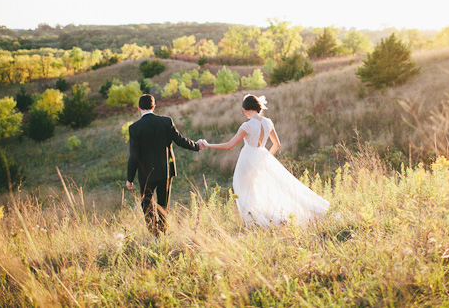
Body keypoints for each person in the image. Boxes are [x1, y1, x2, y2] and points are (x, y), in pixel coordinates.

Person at [200, 94, 329, 227]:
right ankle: (258, 220)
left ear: (246, 109)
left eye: (243, 110)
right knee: (255, 189)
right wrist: (264, 160)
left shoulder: (247, 125)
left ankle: (253, 223)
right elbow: (276, 144)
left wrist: (208, 145)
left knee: (243, 190)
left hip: (247, 160)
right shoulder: (268, 122)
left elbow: (229, 146)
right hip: (260, 156)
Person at [126, 94, 204, 235]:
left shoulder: (134, 128)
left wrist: (129, 179)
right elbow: (181, 141)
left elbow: (134, 156)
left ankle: (154, 235)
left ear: (139, 108)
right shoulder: (166, 122)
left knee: (147, 205)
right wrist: (196, 146)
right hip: (165, 171)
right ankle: (163, 234)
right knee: (163, 205)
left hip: (146, 174)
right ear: (154, 106)